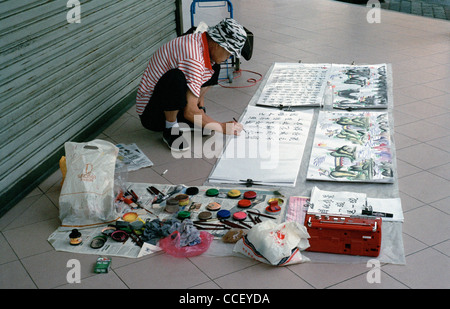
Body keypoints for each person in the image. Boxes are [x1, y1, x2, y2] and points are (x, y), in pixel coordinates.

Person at [136, 18, 247, 152]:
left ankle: (192, 119)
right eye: (229, 52)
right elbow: (189, 111)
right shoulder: (193, 56)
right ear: (218, 44)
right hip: (152, 114)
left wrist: (200, 111)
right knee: (176, 77)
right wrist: (221, 127)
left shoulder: (203, 42)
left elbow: (200, 79)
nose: (228, 57)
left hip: (173, 103)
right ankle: (170, 128)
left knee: (215, 65)